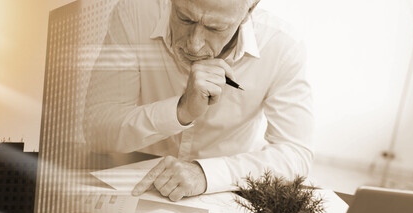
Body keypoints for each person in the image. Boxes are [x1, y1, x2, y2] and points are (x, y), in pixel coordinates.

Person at [83, 0, 313, 202]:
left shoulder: (283, 46)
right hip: (132, 186)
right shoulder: (134, 13)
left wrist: (205, 174)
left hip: (221, 195)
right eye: (184, 18)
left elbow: (296, 153)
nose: (194, 44)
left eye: (215, 27)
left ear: (249, 10)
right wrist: (180, 111)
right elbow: (96, 133)